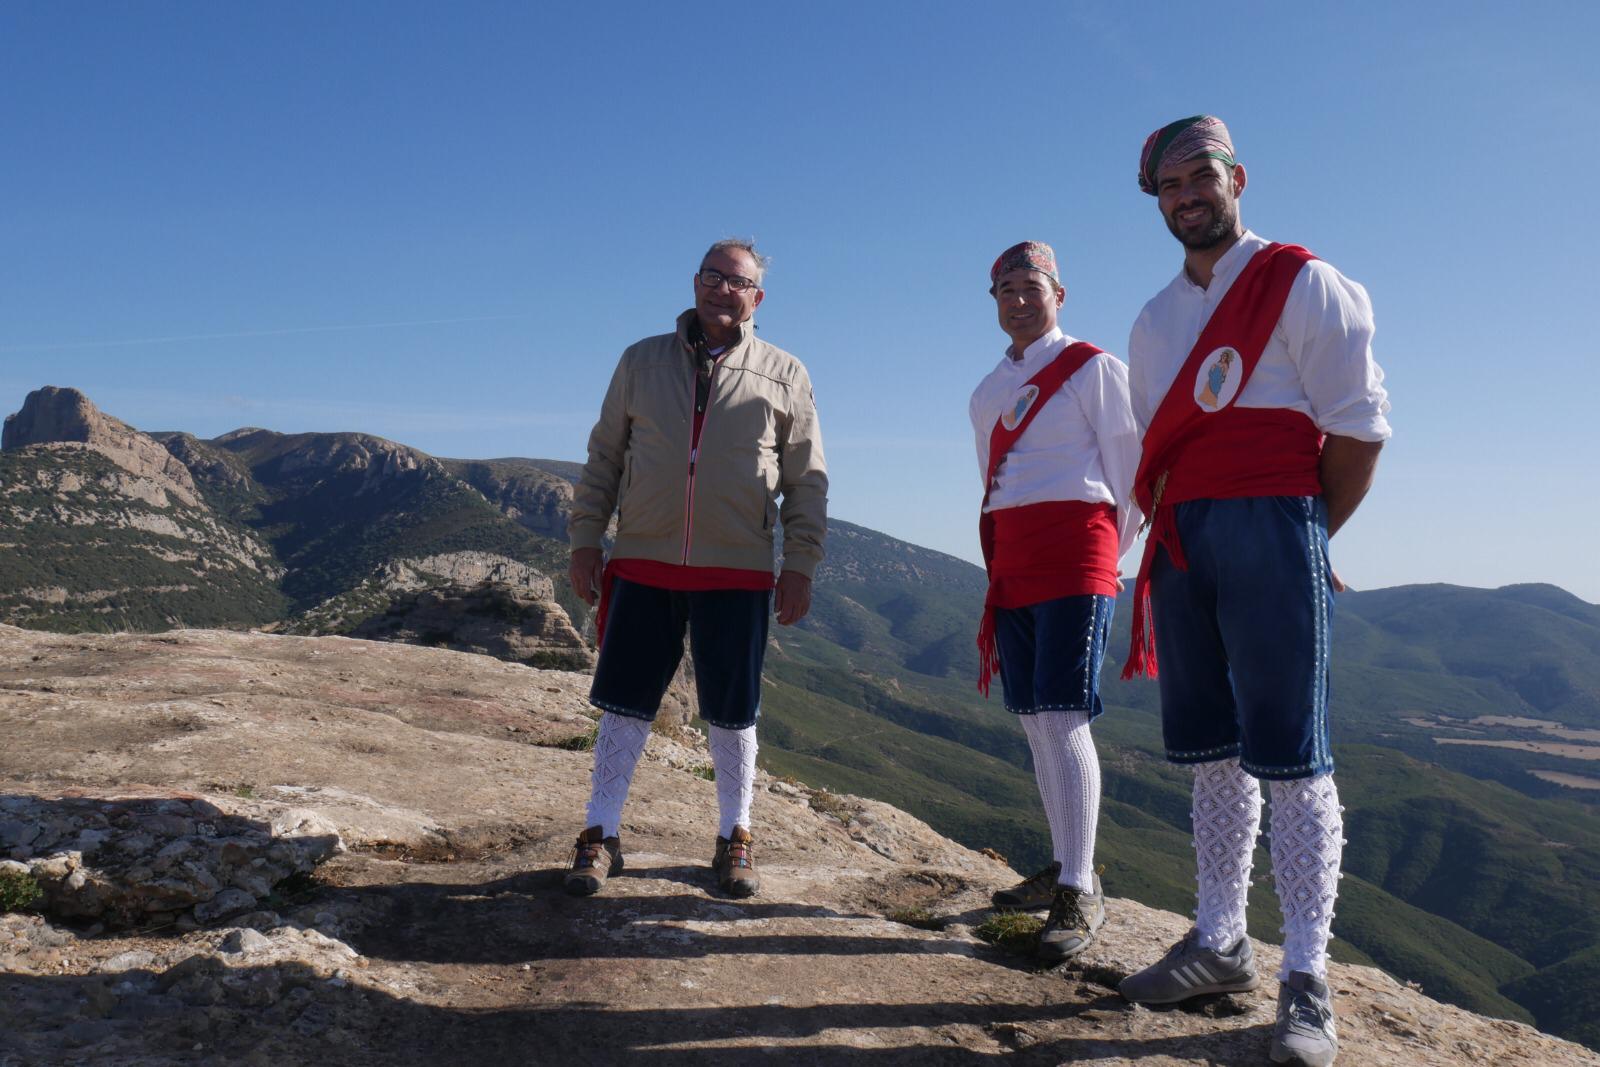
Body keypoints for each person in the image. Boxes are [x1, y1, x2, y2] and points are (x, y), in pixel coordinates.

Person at [1116, 116, 1390, 1067]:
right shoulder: (1153, 321)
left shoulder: (1306, 283)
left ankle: (1305, 978)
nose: (1186, 195)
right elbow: (1156, 447)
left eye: (1201, 175)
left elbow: (1357, 433)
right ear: (1156, 200)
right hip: (1186, 538)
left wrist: (1308, 537)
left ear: (1239, 177)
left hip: (1276, 523)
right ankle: (1219, 940)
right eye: (1168, 185)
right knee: (1213, 755)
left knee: (1296, 760)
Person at [563, 238, 828, 899]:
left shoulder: (785, 372)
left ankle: (735, 836)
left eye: (736, 282)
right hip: (644, 557)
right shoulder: (641, 360)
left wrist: (799, 563)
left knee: (732, 711)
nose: (721, 289)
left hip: (736, 567)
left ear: (756, 297)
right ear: (694, 283)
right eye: (711, 277)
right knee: (624, 703)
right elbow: (603, 458)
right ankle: (601, 832)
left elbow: (806, 480)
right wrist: (585, 541)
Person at [969, 241, 1140, 961]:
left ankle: (1079, 888)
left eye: (1030, 285)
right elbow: (992, 479)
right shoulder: (985, 393)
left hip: (1078, 551)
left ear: (1058, 294)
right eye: (1004, 288)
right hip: (1016, 556)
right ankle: (1072, 863)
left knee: (1065, 715)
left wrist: (1107, 552)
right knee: (1036, 718)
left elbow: (1131, 467)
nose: (1017, 298)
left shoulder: (1095, 368)